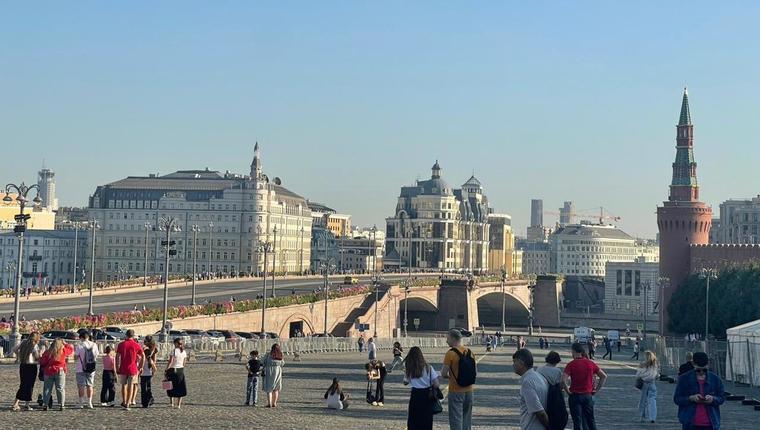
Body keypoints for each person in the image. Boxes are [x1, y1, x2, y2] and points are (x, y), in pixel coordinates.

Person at [673, 351, 725, 430]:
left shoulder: (716, 379)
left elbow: (722, 397)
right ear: (693, 364)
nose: (701, 372)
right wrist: (691, 398)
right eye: (698, 370)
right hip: (690, 423)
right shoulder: (684, 379)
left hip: (711, 424)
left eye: (704, 370)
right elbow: (677, 399)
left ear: (708, 365)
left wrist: (713, 399)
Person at [562, 342, 607, 430]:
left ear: (574, 351)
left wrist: (568, 391)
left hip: (575, 396)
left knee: (577, 422)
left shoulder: (571, 364)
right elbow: (604, 376)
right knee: (591, 420)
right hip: (587, 396)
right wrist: (596, 390)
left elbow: (563, 380)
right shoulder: (590, 363)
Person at [442, 328, 475, 430]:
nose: (446, 341)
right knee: (466, 419)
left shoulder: (450, 353)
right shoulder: (469, 352)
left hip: (456, 390)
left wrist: (451, 377)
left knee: (456, 419)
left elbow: (443, 373)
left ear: (453, 338)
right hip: (469, 391)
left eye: (448, 338)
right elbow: (475, 372)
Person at [403, 346, 440, 430]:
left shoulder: (409, 368)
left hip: (415, 395)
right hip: (427, 395)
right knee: (426, 419)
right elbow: (436, 384)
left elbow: (405, 382)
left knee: (414, 419)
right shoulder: (428, 368)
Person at [512, 348, 550, 430]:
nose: (513, 365)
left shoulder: (527, 382)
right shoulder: (540, 377)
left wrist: (550, 427)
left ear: (521, 362)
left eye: (514, 362)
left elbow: (539, 412)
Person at [11, 331, 45, 411]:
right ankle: (25, 404)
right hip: (31, 366)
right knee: (30, 385)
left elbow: (14, 349)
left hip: (23, 365)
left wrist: (19, 355)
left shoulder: (23, 342)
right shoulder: (34, 345)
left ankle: (16, 402)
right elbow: (37, 357)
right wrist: (42, 352)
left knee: (23, 384)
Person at [39, 338, 74, 411]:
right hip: (60, 370)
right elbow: (71, 349)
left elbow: (42, 362)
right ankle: (61, 404)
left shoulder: (48, 352)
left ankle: (45, 404)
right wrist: (65, 343)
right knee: (60, 388)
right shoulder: (63, 351)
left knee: (47, 389)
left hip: (49, 371)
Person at [115, 329, 144, 410]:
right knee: (130, 386)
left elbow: (117, 356)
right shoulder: (136, 345)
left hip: (123, 367)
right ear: (133, 336)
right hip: (133, 368)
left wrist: (117, 367)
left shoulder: (121, 344)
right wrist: (141, 366)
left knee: (123, 385)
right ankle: (128, 403)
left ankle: (124, 401)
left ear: (126, 335)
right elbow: (143, 355)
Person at [74, 331, 100, 409]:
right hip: (91, 367)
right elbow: (96, 355)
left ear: (81, 338)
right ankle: (89, 402)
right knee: (90, 385)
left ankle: (81, 403)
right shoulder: (94, 345)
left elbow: (76, 357)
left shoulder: (80, 345)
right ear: (88, 337)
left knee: (81, 385)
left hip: (80, 368)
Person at [636, 350, 660, 423]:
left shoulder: (642, 364)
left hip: (644, 384)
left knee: (643, 401)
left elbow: (638, 375)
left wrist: (643, 376)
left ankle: (642, 416)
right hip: (652, 383)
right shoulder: (655, 365)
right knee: (652, 401)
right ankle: (652, 417)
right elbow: (656, 375)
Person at [165, 337, 188, 408]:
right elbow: (184, 362)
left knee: (170, 386)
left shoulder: (174, 351)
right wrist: (181, 367)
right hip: (180, 370)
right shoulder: (184, 351)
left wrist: (166, 369)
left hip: (173, 369)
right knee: (180, 386)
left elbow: (170, 361)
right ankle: (178, 404)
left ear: (176, 343)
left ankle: (171, 403)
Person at [262, 343, 284, 408]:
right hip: (277, 371)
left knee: (269, 388)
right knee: (276, 389)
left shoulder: (268, 355)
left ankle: (269, 403)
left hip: (269, 371)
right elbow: (282, 363)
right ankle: (274, 403)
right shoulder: (280, 355)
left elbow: (263, 361)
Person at [141, 336, 157, 408]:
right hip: (147, 372)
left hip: (146, 372)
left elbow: (153, 361)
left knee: (145, 388)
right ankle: (146, 401)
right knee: (146, 387)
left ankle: (146, 401)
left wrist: (153, 369)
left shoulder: (151, 350)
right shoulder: (147, 349)